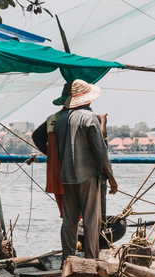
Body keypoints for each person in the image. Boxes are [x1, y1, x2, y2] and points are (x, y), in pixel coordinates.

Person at [54, 79, 118, 260]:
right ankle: (91, 259)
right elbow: (100, 150)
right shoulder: (89, 118)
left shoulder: (61, 120)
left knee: (70, 220)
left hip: (67, 176)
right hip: (88, 175)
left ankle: (68, 258)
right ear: (88, 99)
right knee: (91, 219)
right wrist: (111, 176)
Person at [31, 82, 71, 216]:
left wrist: (52, 155)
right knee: (78, 215)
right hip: (74, 176)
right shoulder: (78, 118)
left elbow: (37, 137)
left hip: (56, 173)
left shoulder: (52, 118)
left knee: (66, 215)